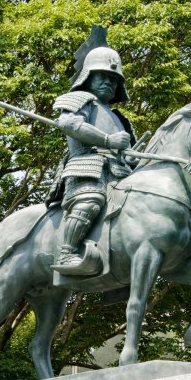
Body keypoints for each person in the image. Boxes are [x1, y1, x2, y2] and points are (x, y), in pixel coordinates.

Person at [50, 33, 136, 276]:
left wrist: (133, 157)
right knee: (91, 201)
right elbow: (68, 124)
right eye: (103, 76)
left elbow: (130, 153)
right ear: (89, 76)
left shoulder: (120, 118)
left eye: (114, 79)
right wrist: (108, 140)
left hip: (119, 174)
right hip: (87, 167)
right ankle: (67, 252)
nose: (109, 82)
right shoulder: (79, 100)